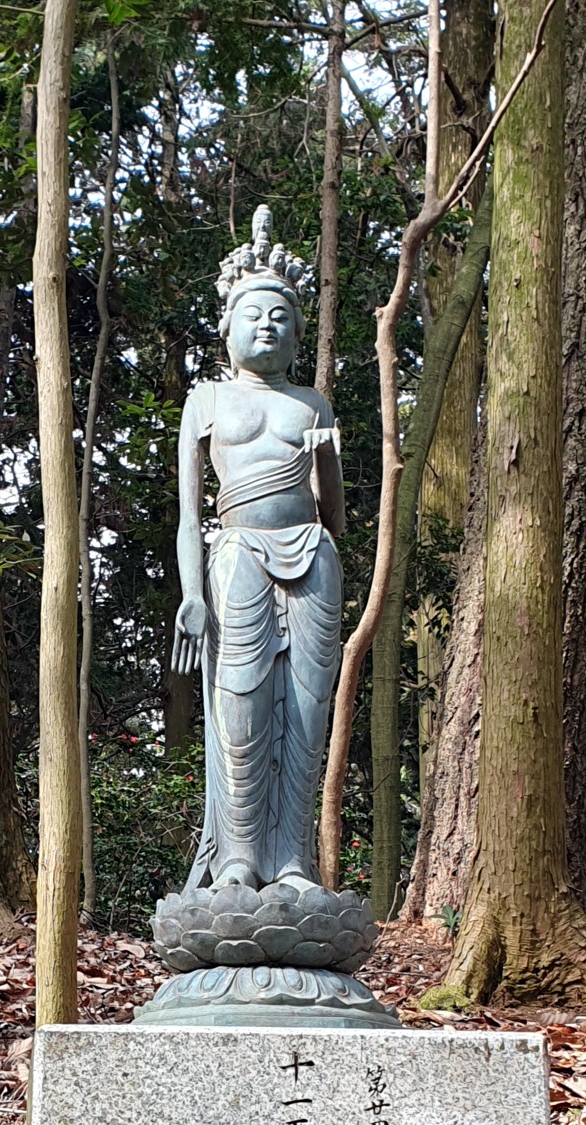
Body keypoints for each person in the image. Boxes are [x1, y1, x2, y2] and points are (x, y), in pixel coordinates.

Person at [172, 212, 346, 895]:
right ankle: (238, 857)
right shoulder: (206, 400)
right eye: (253, 315)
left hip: (312, 554)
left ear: (298, 333)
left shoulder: (312, 404)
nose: (266, 327)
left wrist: (327, 463)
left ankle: (293, 859)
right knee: (240, 705)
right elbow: (190, 517)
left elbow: (335, 513)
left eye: (280, 317)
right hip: (237, 550)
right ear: (228, 327)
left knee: (306, 710)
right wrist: (192, 594)